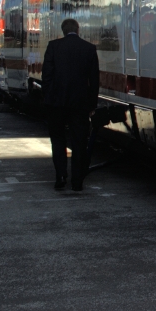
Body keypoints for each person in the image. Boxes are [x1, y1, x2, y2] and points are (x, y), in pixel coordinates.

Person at [42, 18, 99, 191]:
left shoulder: (53, 46)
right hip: (80, 105)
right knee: (79, 142)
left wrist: (48, 100)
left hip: (57, 104)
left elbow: (47, 77)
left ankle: (60, 176)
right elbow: (94, 81)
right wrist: (92, 105)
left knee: (58, 139)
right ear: (78, 29)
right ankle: (77, 181)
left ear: (63, 30)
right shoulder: (89, 48)